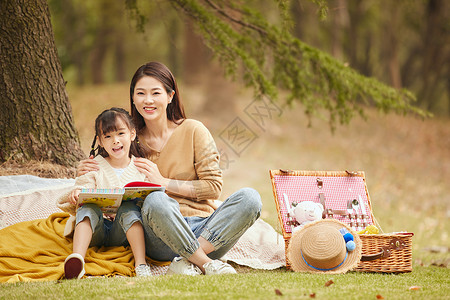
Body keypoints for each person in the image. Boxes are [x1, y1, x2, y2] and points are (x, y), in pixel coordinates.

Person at [77, 62, 262, 275]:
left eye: (156, 93)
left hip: (206, 232)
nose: (148, 100)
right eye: (141, 93)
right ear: (133, 98)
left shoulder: (194, 130)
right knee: (156, 200)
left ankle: (188, 260)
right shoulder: (129, 140)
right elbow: (110, 170)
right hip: (159, 235)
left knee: (250, 198)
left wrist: (163, 182)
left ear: (170, 96)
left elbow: (213, 187)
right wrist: (88, 168)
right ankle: (206, 263)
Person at [58, 107, 152, 279]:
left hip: (123, 232)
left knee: (129, 209)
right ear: (100, 141)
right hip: (96, 230)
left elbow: (150, 199)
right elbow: (82, 185)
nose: (115, 141)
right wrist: (78, 193)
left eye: (120, 133)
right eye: (108, 136)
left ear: (132, 134)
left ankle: (141, 264)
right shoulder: (94, 166)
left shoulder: (141, 167)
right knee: (87, 208)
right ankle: (77, 260)